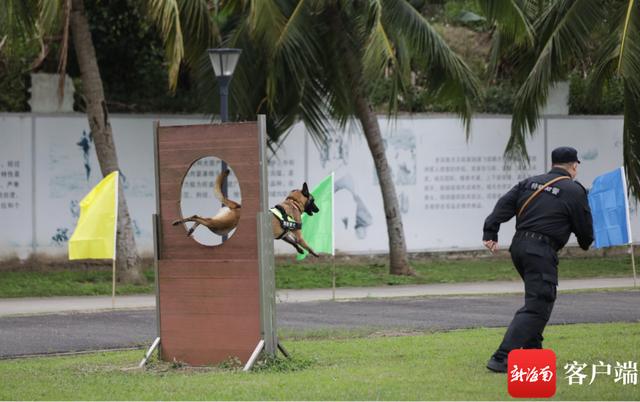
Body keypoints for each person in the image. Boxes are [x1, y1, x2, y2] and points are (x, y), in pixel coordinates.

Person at [482, 146, 594, 373]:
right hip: (540, 250)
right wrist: (586, 241)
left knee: (537, 299)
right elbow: (583, 226)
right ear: (574, 166)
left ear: (553, 163)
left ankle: (533, 353)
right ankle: (502, 357)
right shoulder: (574, 190)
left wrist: (490, 232)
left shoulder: (529, 183)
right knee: (539, 303)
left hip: (520, 248)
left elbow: (504, 204)